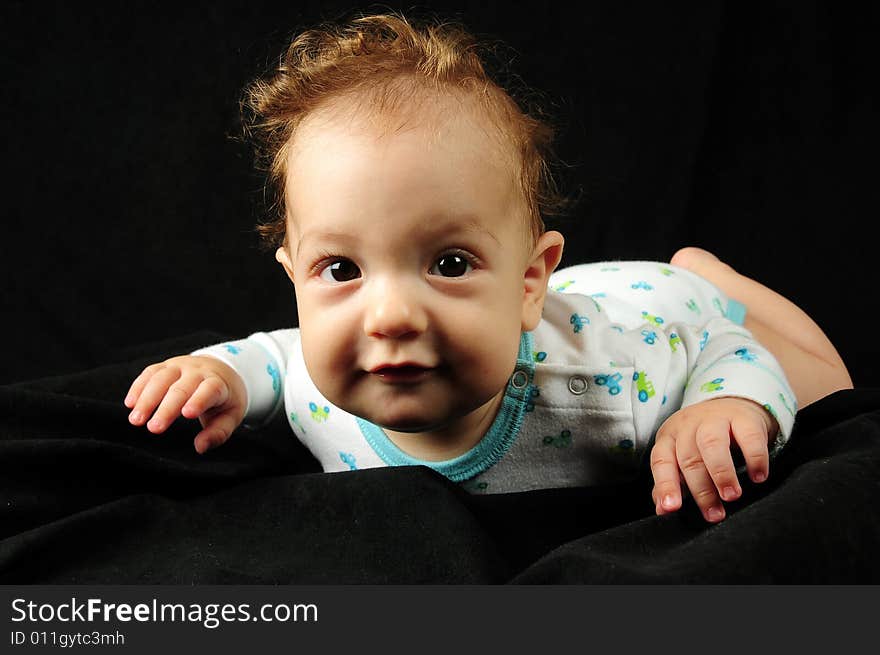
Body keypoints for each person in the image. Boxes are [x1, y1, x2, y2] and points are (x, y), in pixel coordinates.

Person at [123, 12, 852, 523]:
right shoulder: (317, 382)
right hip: (576, 297)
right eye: (342, 269)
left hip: (661, 313)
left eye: (447, 262)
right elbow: (271, 360)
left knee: (821, 388)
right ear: (294, 278)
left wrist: (725, 404)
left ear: (529, 282)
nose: (390, 317)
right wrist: (218, 376)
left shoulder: (612, 389)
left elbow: (726, 350)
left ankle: (710, 271)